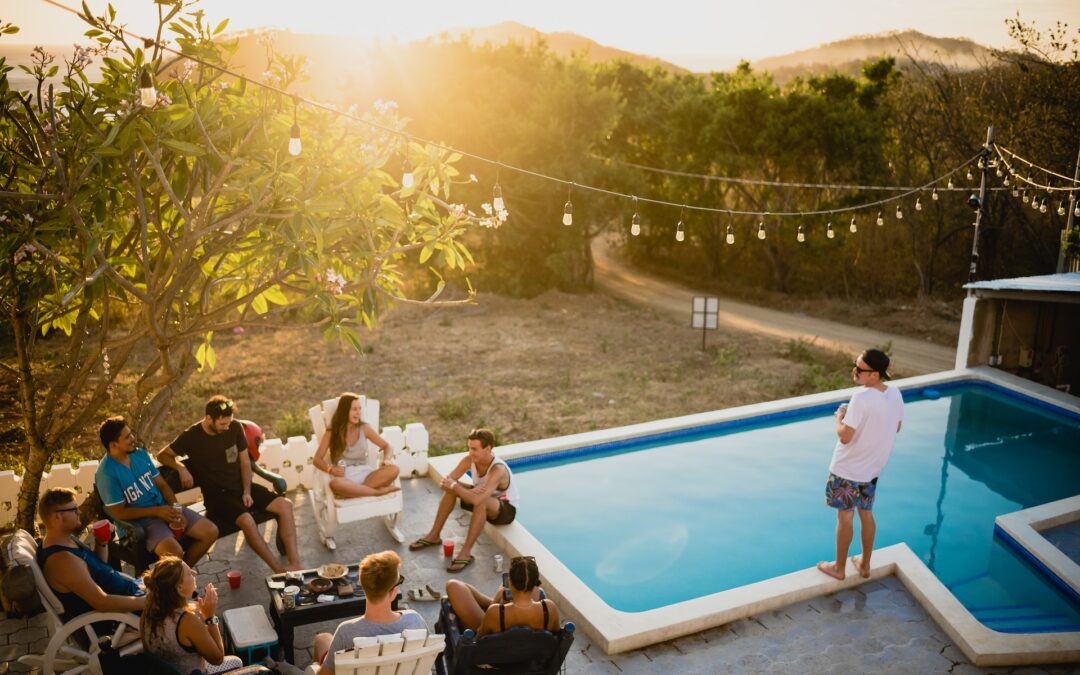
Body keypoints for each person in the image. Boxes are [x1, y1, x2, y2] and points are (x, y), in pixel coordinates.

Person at [157, 396, 302, 572]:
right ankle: (279, 570)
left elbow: (245, 463)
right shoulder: (192, 436)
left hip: (240, 487)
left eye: (229, 422)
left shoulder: (234, 427)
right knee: (248, 521)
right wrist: (180, 467)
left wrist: (247, 491)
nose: (227, 427)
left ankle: (295, 565)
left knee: (285, 505)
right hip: (218, 497)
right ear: (209, 418)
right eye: (222, 424)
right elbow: (163, 455)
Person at [817, 348, 905, 581]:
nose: (854, 371)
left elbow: (845, 436)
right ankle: (865, 565)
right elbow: (896, 427)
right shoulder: (895, 393)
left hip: (847, 469)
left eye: (859, 369)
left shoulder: (861, 398)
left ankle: (839, 568)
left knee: (845, 517)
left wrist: (839, 418)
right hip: (872, 470)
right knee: (866, 514)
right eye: (854, 365)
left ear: (874, 374)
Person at [95, 416, 218, 565]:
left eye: (131, 434)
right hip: (142, 525)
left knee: (211, 531)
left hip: (165, 510)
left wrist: (177, 509)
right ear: (114, 445)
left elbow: (162, 486)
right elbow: (119, 513)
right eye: (127, 437)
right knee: (175, 553)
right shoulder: (107, 474)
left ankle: (181, 575)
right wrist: (157, 511)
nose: (133, 438)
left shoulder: (139, 454)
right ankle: (176, 577)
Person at [409, 428, 518, 572]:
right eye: (469, 448)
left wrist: (457, 486)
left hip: (504, 510)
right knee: (453, 491)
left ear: (488, 448)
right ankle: (434, 535)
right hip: (481, 498)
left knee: (479, 501)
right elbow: (445, 483)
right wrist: (463, 489)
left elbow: (476, 498)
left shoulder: (497, 469)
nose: (471, 452)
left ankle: (465, 553)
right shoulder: (469, 460)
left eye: (475, 449)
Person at [36, 487, 146, 620]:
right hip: (124, 615)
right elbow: (102, 602)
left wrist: (102, 542)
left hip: (132, 592)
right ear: (57, 517)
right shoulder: (62, 560)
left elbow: (97, 568)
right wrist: (149, 601)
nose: (79, 512)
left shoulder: (65, 539)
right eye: (73, 509)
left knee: (173, 575)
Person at [314, 550, 425, 675]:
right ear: (393, 591)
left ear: (364, 587)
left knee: (322, 639)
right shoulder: (414, 620)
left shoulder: (345, 632)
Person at [141, 556, 244, 674]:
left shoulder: (147, 612)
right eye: (189, 573)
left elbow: (148, 652)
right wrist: (210, 617)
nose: (194, 573)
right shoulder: (186, 620)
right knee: (236, 662)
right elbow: (218, 659)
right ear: (179, 588)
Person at [311, 393, 400, 498]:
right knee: (335, 484)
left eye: (359, 409)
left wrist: (387, 460)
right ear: (344, 411)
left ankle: (353, 493)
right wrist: (331, 470)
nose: (358, 413)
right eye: (354, 409)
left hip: (366, 474)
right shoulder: (332, 432)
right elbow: (317, 459)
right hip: (345, 477)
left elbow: (387, 446)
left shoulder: (364, 428)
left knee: (394, 469)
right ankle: (376, 492)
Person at [445, 555, 560, 636]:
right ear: (535, 584)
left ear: (510, 582)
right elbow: (555, 635)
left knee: (453, 585)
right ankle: (500, 601)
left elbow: (479, 638)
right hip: (531, 657)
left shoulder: (495, 612)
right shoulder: (549, 608)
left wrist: (495, 601)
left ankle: (495, 601)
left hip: (497, 659)